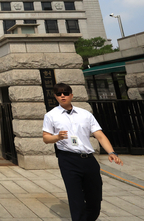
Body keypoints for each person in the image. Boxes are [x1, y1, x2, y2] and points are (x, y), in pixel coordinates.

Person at [42, 83, 123, 221]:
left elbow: (100, 135)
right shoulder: (51, 116)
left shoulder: (85, 114)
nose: (63, 95)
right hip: (68, 160)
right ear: (55, 96)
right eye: (59, 93)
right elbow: (46, 138)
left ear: (71, 95)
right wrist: (57, 137)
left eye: (66, 93)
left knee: (94, 199)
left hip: (89, 160)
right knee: (76, 199)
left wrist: (112, 153)